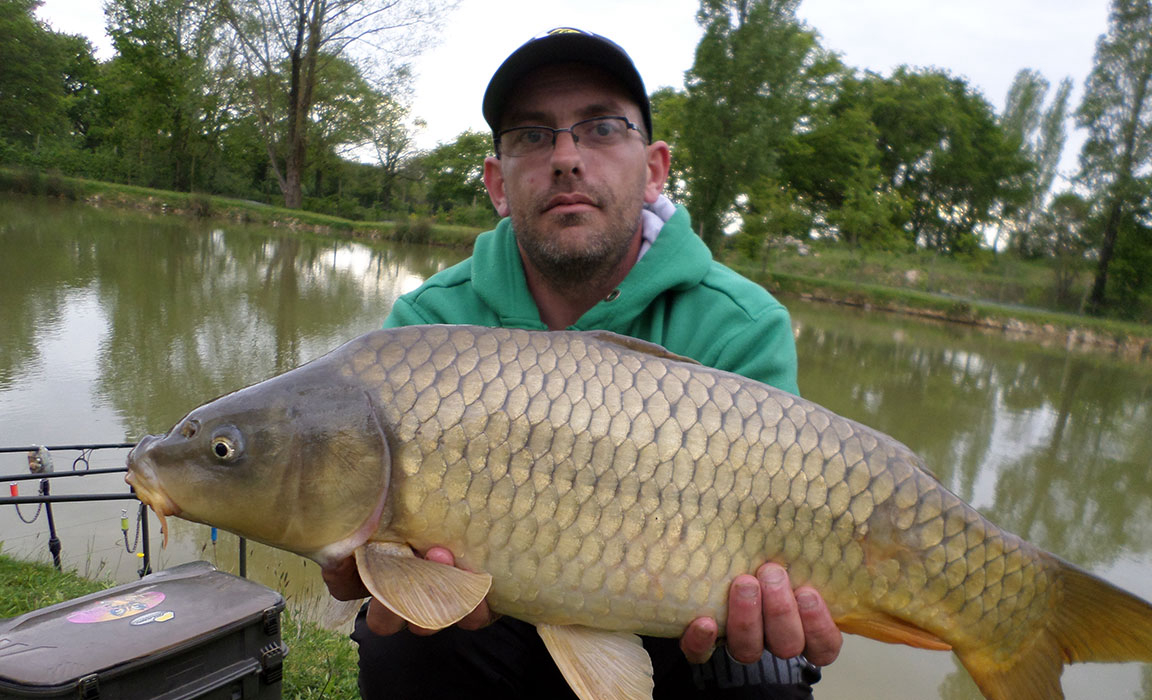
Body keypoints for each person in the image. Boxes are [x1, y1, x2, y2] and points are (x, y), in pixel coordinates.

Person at [321, 27, 843, 699]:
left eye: (599, 129)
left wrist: (792, 602)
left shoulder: (740, 325)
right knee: (406, 640)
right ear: (497, 181)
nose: (566, 158)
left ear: (654, 169)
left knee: (760, 667)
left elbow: (788, 537)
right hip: (495, 612)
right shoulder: (427, 327)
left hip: (691, 621)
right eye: (533, 136)